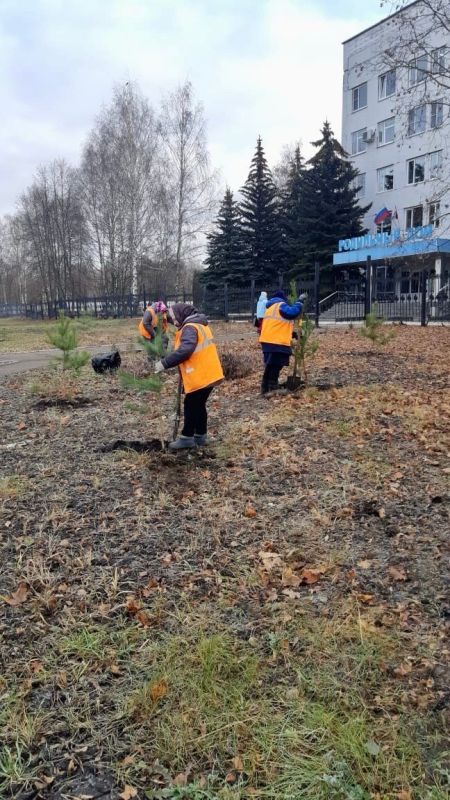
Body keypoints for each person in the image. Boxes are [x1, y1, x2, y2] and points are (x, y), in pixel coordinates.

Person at [154, 304, 224, 451]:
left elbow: (186, 350)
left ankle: (187, 437)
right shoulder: (199, 325)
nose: (173, 320)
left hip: (201, 374)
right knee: (198, 404)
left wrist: (164, 363)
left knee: (191, 404)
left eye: (174, 316)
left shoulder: (190, 328)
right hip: (209, 373)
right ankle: (200, 435)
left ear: (181, 314)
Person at [259, 290, 304, 394]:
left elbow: (278, 325)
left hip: (267, 341)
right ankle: (272, 387)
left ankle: (265, 387)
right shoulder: (280, 305)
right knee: (276, 364)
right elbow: (292, 312)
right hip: (276, 342)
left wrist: (293, 334)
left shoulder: (270, 308)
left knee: (270, 364)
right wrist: (299, 302)